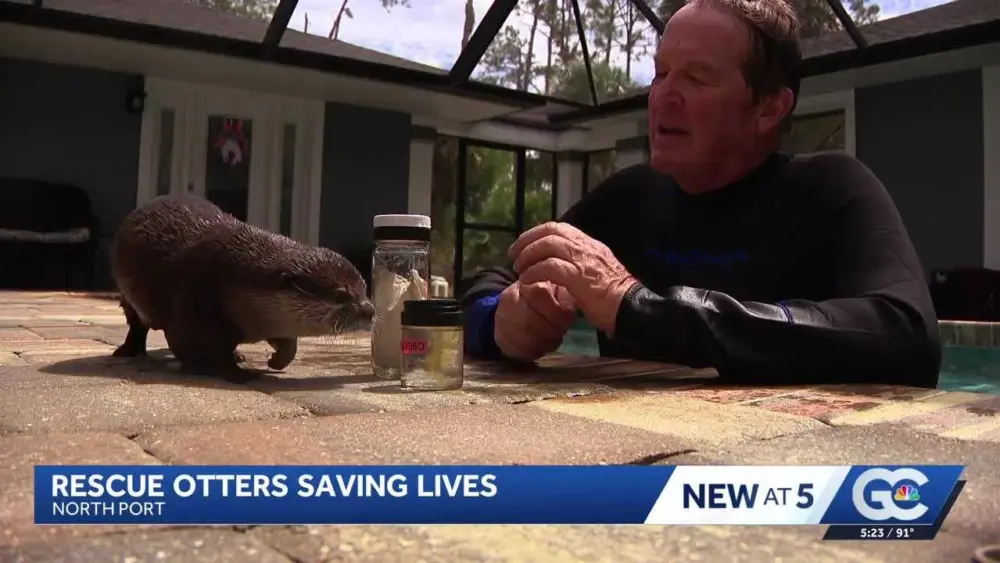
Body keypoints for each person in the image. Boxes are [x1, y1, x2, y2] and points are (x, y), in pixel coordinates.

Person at [458, 0, 942, 387]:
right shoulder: (629, 196)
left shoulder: (831, 189)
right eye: (661, 73)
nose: (664, 96)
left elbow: (906, 334)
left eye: (696, 77)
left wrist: (635, 306)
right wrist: (499, 320)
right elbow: (493, 278)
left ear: (769, 107)